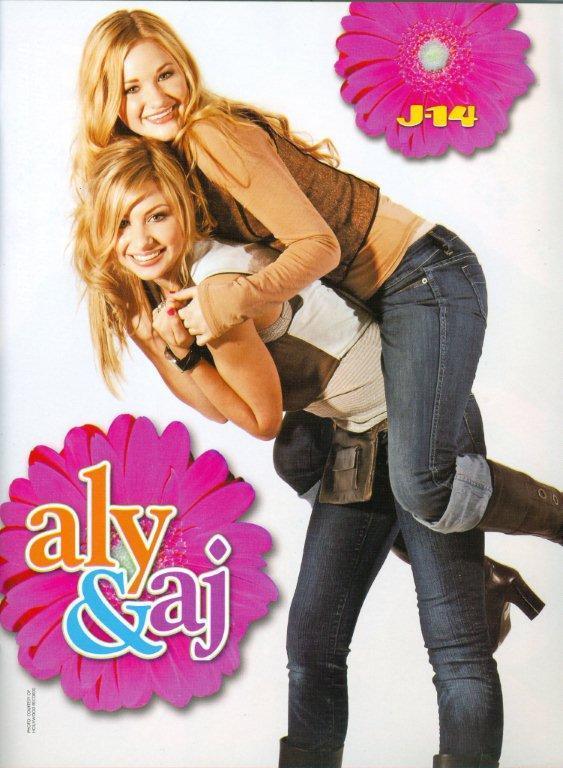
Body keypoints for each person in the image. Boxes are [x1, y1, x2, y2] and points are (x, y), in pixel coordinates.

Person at [73, 136, 548, 767]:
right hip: (355, 439)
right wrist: (161, 343)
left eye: (155, 215)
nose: (140, 239)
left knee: (456, 645)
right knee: (314, 644)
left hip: (421, 423)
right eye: (121, 225)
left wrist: (182, 353)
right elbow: (213, 405)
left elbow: (259, 417)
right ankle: (481, 578)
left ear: (183, 209)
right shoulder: (182, 284)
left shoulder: (218, 285)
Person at [74, 9, 561, 546]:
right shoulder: (160, 169)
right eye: (132, 88)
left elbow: (320, 247)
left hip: (423, 275)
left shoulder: (208, 135)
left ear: (185, 68)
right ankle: (487, 580)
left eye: (166, 74)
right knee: (301, 455)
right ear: (108, 101)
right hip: (372, 300)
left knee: (423, 483)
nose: (157, 97)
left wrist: (237, 298)